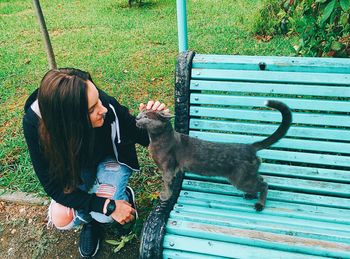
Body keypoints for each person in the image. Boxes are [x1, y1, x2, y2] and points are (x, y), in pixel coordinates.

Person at [23, 68, 167, 257]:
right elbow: (53, 187)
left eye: (98, 98)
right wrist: (108, 205)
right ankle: (91, 221)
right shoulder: (35, 124)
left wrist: (156, 124)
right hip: (76, 166)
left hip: (110, 159)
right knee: (61, 218)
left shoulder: (105, 105)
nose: (103, 109)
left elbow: (140, 134)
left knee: (104, 216)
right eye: (92, 109)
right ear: (69, 121)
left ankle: (121, 199)